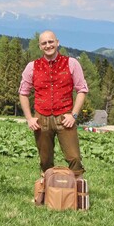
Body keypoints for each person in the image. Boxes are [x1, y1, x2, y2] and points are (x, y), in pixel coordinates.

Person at [18, 30, 88, 178]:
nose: (48, 45)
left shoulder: (72, 63)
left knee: (74, 157)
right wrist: (29, 118)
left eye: (51, 42)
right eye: (44, 43)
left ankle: (76, 194)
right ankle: (48, 193)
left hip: (65, 117)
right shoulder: (32, 67)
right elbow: (23, 93)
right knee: (45, 160)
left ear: (57, 42)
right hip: (41, 118)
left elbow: (82, 90)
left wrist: (74, 115)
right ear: (40, 46)